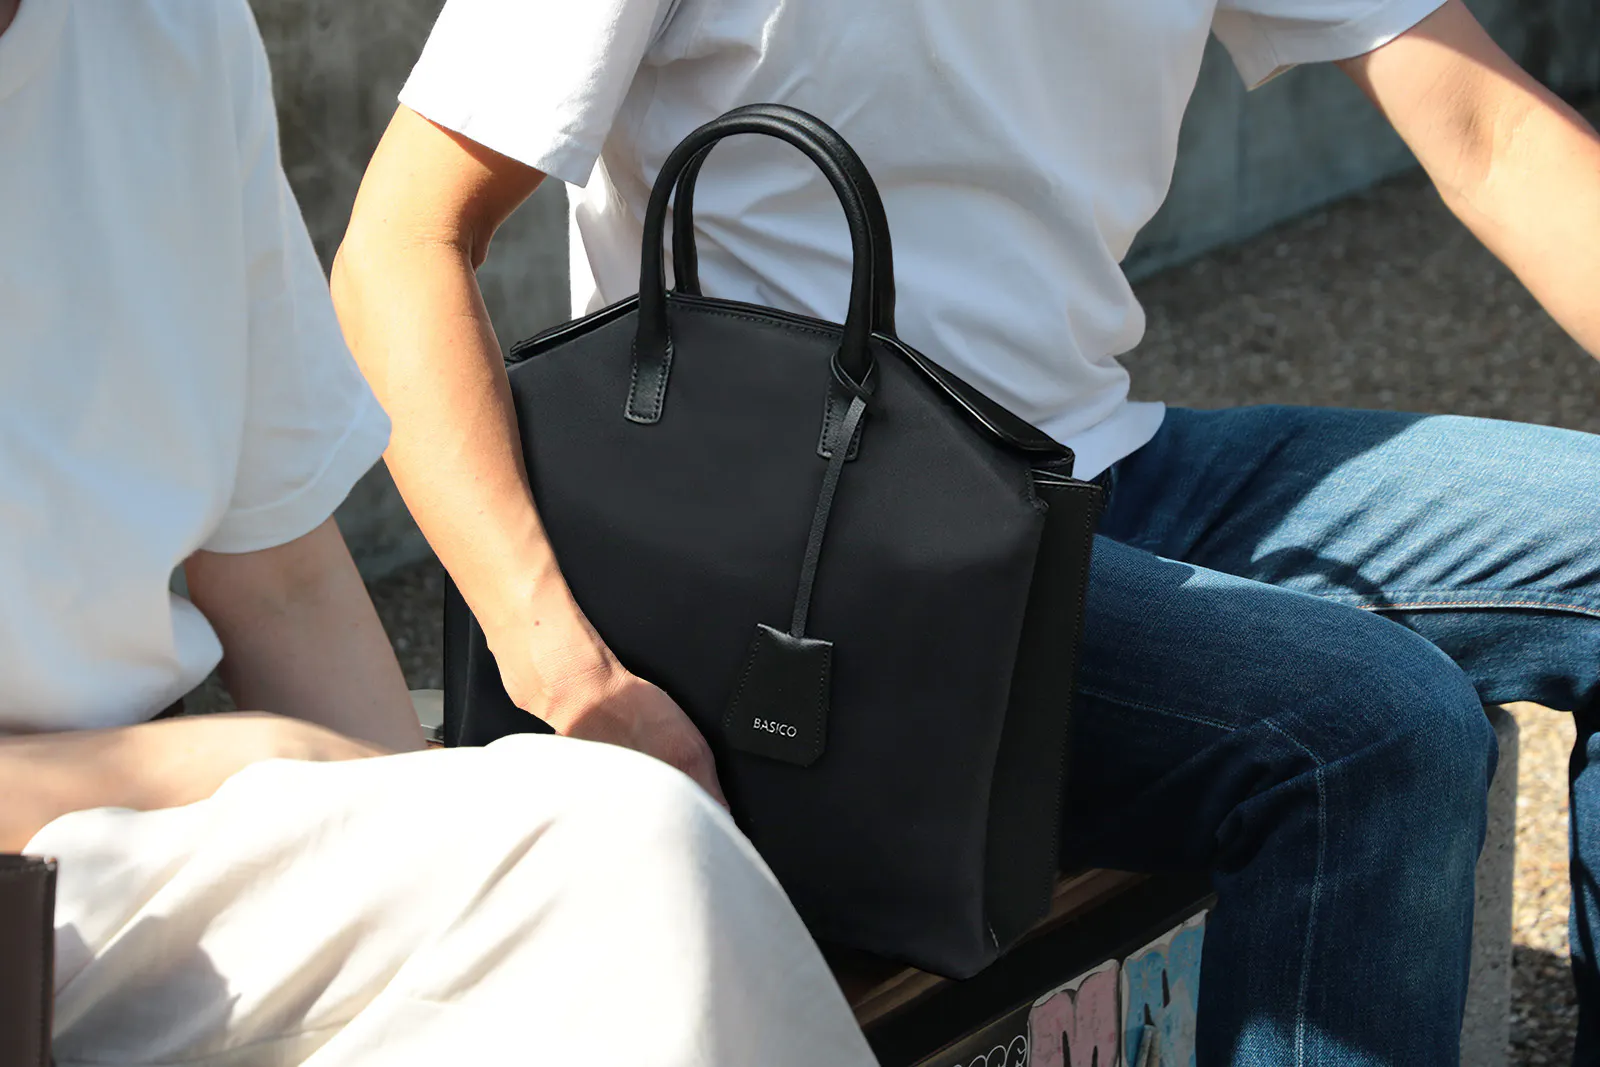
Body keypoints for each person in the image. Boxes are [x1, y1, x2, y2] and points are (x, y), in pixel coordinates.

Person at [330, 0, 1600, 1063]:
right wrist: (563, 667)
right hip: (822, 558)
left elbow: (1491, 135)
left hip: (1092, 463)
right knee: (1370, 727)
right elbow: (402, 242)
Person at [0, 0, 880, 1063]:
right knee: (624, 856)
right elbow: (406, 239)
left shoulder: (164, 33)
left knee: (623, 882)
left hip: (159, 860)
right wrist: (247, 759)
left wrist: (418, 810)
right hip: (85, 867)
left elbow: (280, 577)